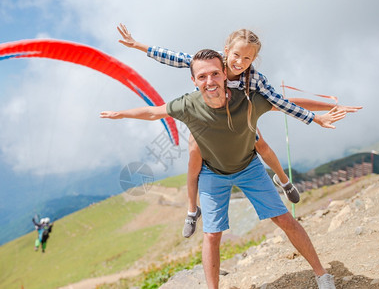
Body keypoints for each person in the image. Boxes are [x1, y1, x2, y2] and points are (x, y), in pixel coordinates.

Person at [100, 49, 357, 288]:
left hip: (249, 167)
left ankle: (322, 274)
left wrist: (330, 107)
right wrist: (121, 114)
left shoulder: (249, 100)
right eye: (202, 76)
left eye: (214, 73)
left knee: (285, 219)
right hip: (213, 174)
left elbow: (287, 103)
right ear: (194, 80)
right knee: (212, 235)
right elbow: (153, 112)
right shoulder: (187, 105)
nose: (209, 80)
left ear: (224, 74)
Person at [117, 24, 362, 238]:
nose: (240, 62)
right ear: (226, 51)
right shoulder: (213, 63)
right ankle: (192, 210)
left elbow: (281, 102)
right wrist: (137, 45)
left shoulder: (254, 79)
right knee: (194, 158)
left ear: (253, 60)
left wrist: (315, 117)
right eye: (236, 55)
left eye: (247, 59)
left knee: (261, 145)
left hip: (239, 120)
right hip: (208, 121)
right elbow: (174, 57)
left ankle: (284, 181)